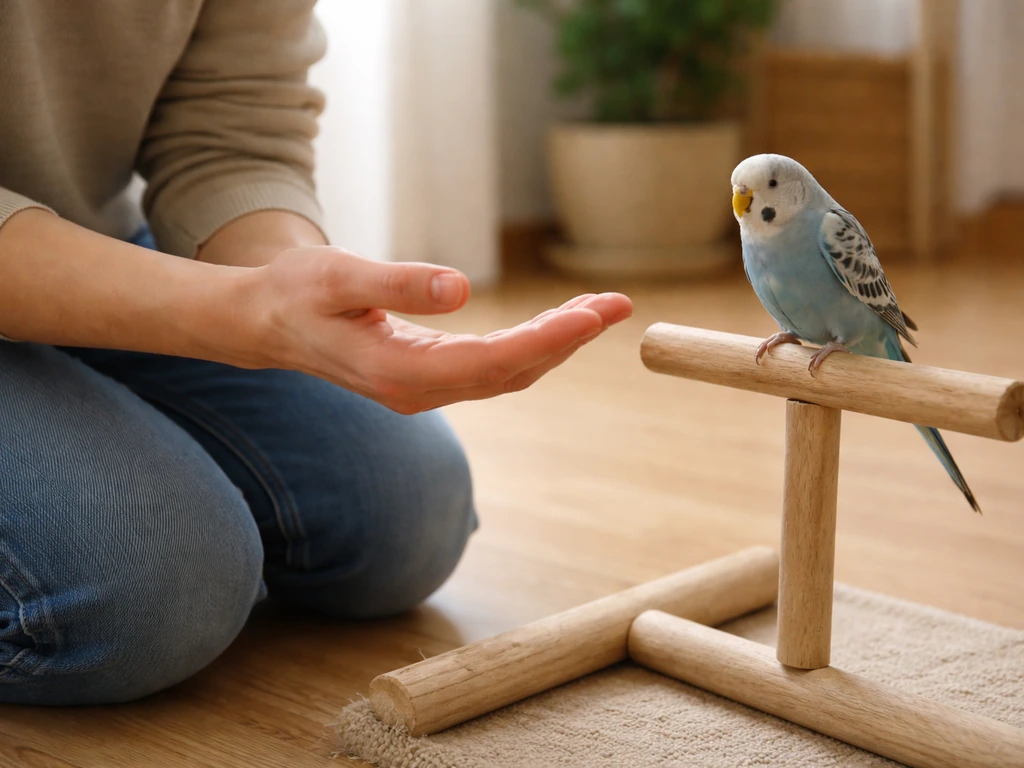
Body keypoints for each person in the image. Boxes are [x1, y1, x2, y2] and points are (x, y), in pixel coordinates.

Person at [0, 1, 632, 706]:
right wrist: (234, 314)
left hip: (97, 240)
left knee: (403, 515)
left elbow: (231, 128)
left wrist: (298, 293)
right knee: (152, 587)